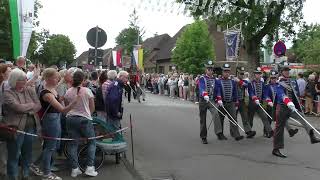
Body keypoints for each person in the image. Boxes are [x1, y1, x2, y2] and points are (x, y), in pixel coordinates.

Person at [40, 68, 79, 180]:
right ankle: (46, 173)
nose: (58, 79)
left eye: (58, 77)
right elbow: (62, 109)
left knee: (54, 145)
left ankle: (44, 166)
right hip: (51, 119)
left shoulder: (53, 89)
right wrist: (74, 102)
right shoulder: (47, 93)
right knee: (50, 147)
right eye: (55, 77)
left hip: (55, 118)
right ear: (48, 79)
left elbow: (60, 98)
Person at [272, 65, 320, 158]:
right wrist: (288, 102)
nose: (287, 72)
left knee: (302, 117)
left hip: (292, 107)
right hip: (282, 107)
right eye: (285, 71)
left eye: (288, 71)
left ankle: (312, 136)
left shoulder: (292, 81)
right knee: (279, 128)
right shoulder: (278, 83)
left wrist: (297, 104)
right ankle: (276, 149)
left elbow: (296, 93)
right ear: (281, 72)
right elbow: (281, 94)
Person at [2, 68, 42, 180]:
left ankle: (25, 174)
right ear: (15, 80)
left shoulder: (29, 90)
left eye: (25, 79)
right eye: (22, 80)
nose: (25, 81)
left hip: (31, 127)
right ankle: (13, 177)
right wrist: (31, 105)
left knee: (28, 153)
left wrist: (26, 107)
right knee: (14, 155)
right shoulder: (8, 93)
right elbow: (17, 107)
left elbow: (38, 105)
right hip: (15, 129)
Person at [64, 70, 98, 177]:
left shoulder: (68, 91)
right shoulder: (87, 91)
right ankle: (89, 167)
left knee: (73, 144)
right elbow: (92, 107)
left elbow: (66, 105)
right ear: (83, 80)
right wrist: (88, 114)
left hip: (70, 119)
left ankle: (75, 168)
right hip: (84, 119)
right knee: (92, 142)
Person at [215, 64, 244, 141]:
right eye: (225, 71)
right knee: (221, 119)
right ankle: (220, 134)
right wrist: (218, 99)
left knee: (233, 118)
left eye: (228, 71)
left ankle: (236, 135)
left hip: (231, 103)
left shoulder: (233, 82)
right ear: (222, 72)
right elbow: (217, 91)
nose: (226, 73)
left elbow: (235, 92)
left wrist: (236, 102)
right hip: (222, 103)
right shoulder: (218, 81)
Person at [198, 61, 224, 144]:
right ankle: (203, 137)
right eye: (208, 69)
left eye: (211, 69)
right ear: (206, 70)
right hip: (203, 100)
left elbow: (218, 90)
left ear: (212, 70)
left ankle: (219, 133)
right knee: (203, 119)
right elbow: (201, 87)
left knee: (216, 114)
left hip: (211, 100)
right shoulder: (202, 79)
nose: (210, 71)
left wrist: (219, 98)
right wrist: (204, 94)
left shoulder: (216, 80)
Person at [247, 67, 273, 138]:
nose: (258, 75)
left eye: (259, 74)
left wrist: (268, 100)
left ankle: (269, 131)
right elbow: (251, 92)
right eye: (257, 74)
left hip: (260, 104)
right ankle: (249, 132)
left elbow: (264, 94)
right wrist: (254, 98)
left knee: (264, 117)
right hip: (252, 103)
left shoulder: (262, 84)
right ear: (254, 74)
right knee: (250, 119)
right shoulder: (250, 83)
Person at [234, 67, 256, 138]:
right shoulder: (233, 81)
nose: (242, 75)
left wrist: (239, 81)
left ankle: (248, 131)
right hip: (234, 102)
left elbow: (246, 85)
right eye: (241, 73)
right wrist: (235, 81)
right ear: (237, 73)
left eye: (243, 73)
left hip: (242, 101)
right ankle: (235, 133)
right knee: (234, 118)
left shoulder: (244, 81)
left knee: (245, 117)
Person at [0, 64, 11, 177]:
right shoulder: (6, 84)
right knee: (3, 144)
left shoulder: (5, 83)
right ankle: (3, 168)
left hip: (3, 115)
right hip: (3, 116)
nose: (11, 72)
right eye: (9, 71)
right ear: (3, 73)